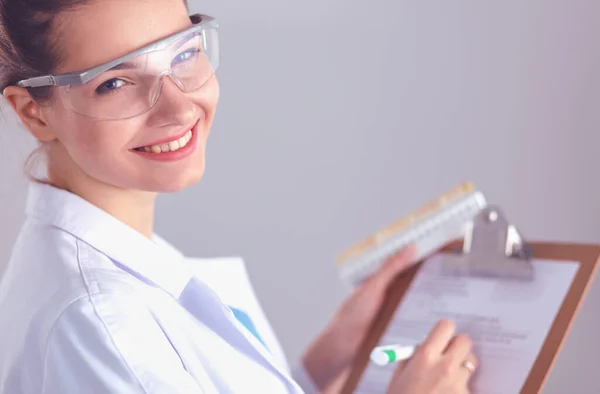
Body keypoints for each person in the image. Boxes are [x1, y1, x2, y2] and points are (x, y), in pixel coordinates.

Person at [0, 0, 478, 392]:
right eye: (115, 83)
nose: (179, 105)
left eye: (184, 53)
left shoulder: (107, 261)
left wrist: (325, 363)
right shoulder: (100, 324)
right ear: (34, 113)